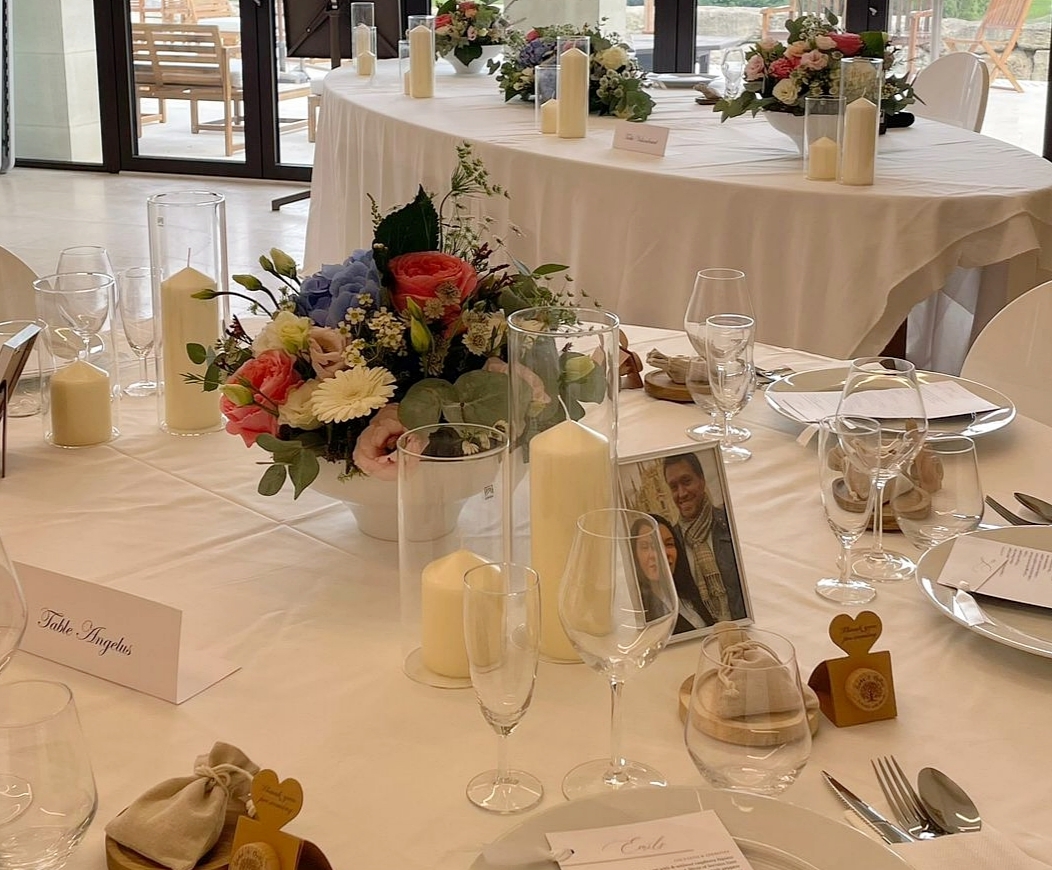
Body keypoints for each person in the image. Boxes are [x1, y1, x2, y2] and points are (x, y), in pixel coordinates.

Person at [662, 452, 745, 622]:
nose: (681, 493)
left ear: (702, 480)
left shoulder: (730, 524)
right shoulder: (673, 544)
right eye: (674, 487)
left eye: (687, 482)